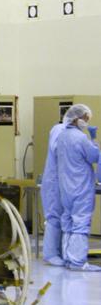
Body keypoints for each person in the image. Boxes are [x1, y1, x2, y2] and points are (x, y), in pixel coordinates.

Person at [56, 104, 101, 271]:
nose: (86, 122)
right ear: (77, 118)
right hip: (81, 186)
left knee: (67, 221)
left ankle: (68, 258)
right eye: (85, 119)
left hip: (66, 187)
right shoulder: (80, 138)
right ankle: (77, 262)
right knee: (81, 223)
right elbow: (95, 156)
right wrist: (94, 139)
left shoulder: (62, 136)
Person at [40, 116, 66, 266]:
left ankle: (61, 252)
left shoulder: (68, 132)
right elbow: (58, 149)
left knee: (62, 218)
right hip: (54, 182)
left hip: (62, 182)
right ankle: (50, 254)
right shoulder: (59, 129)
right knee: (54, 217)